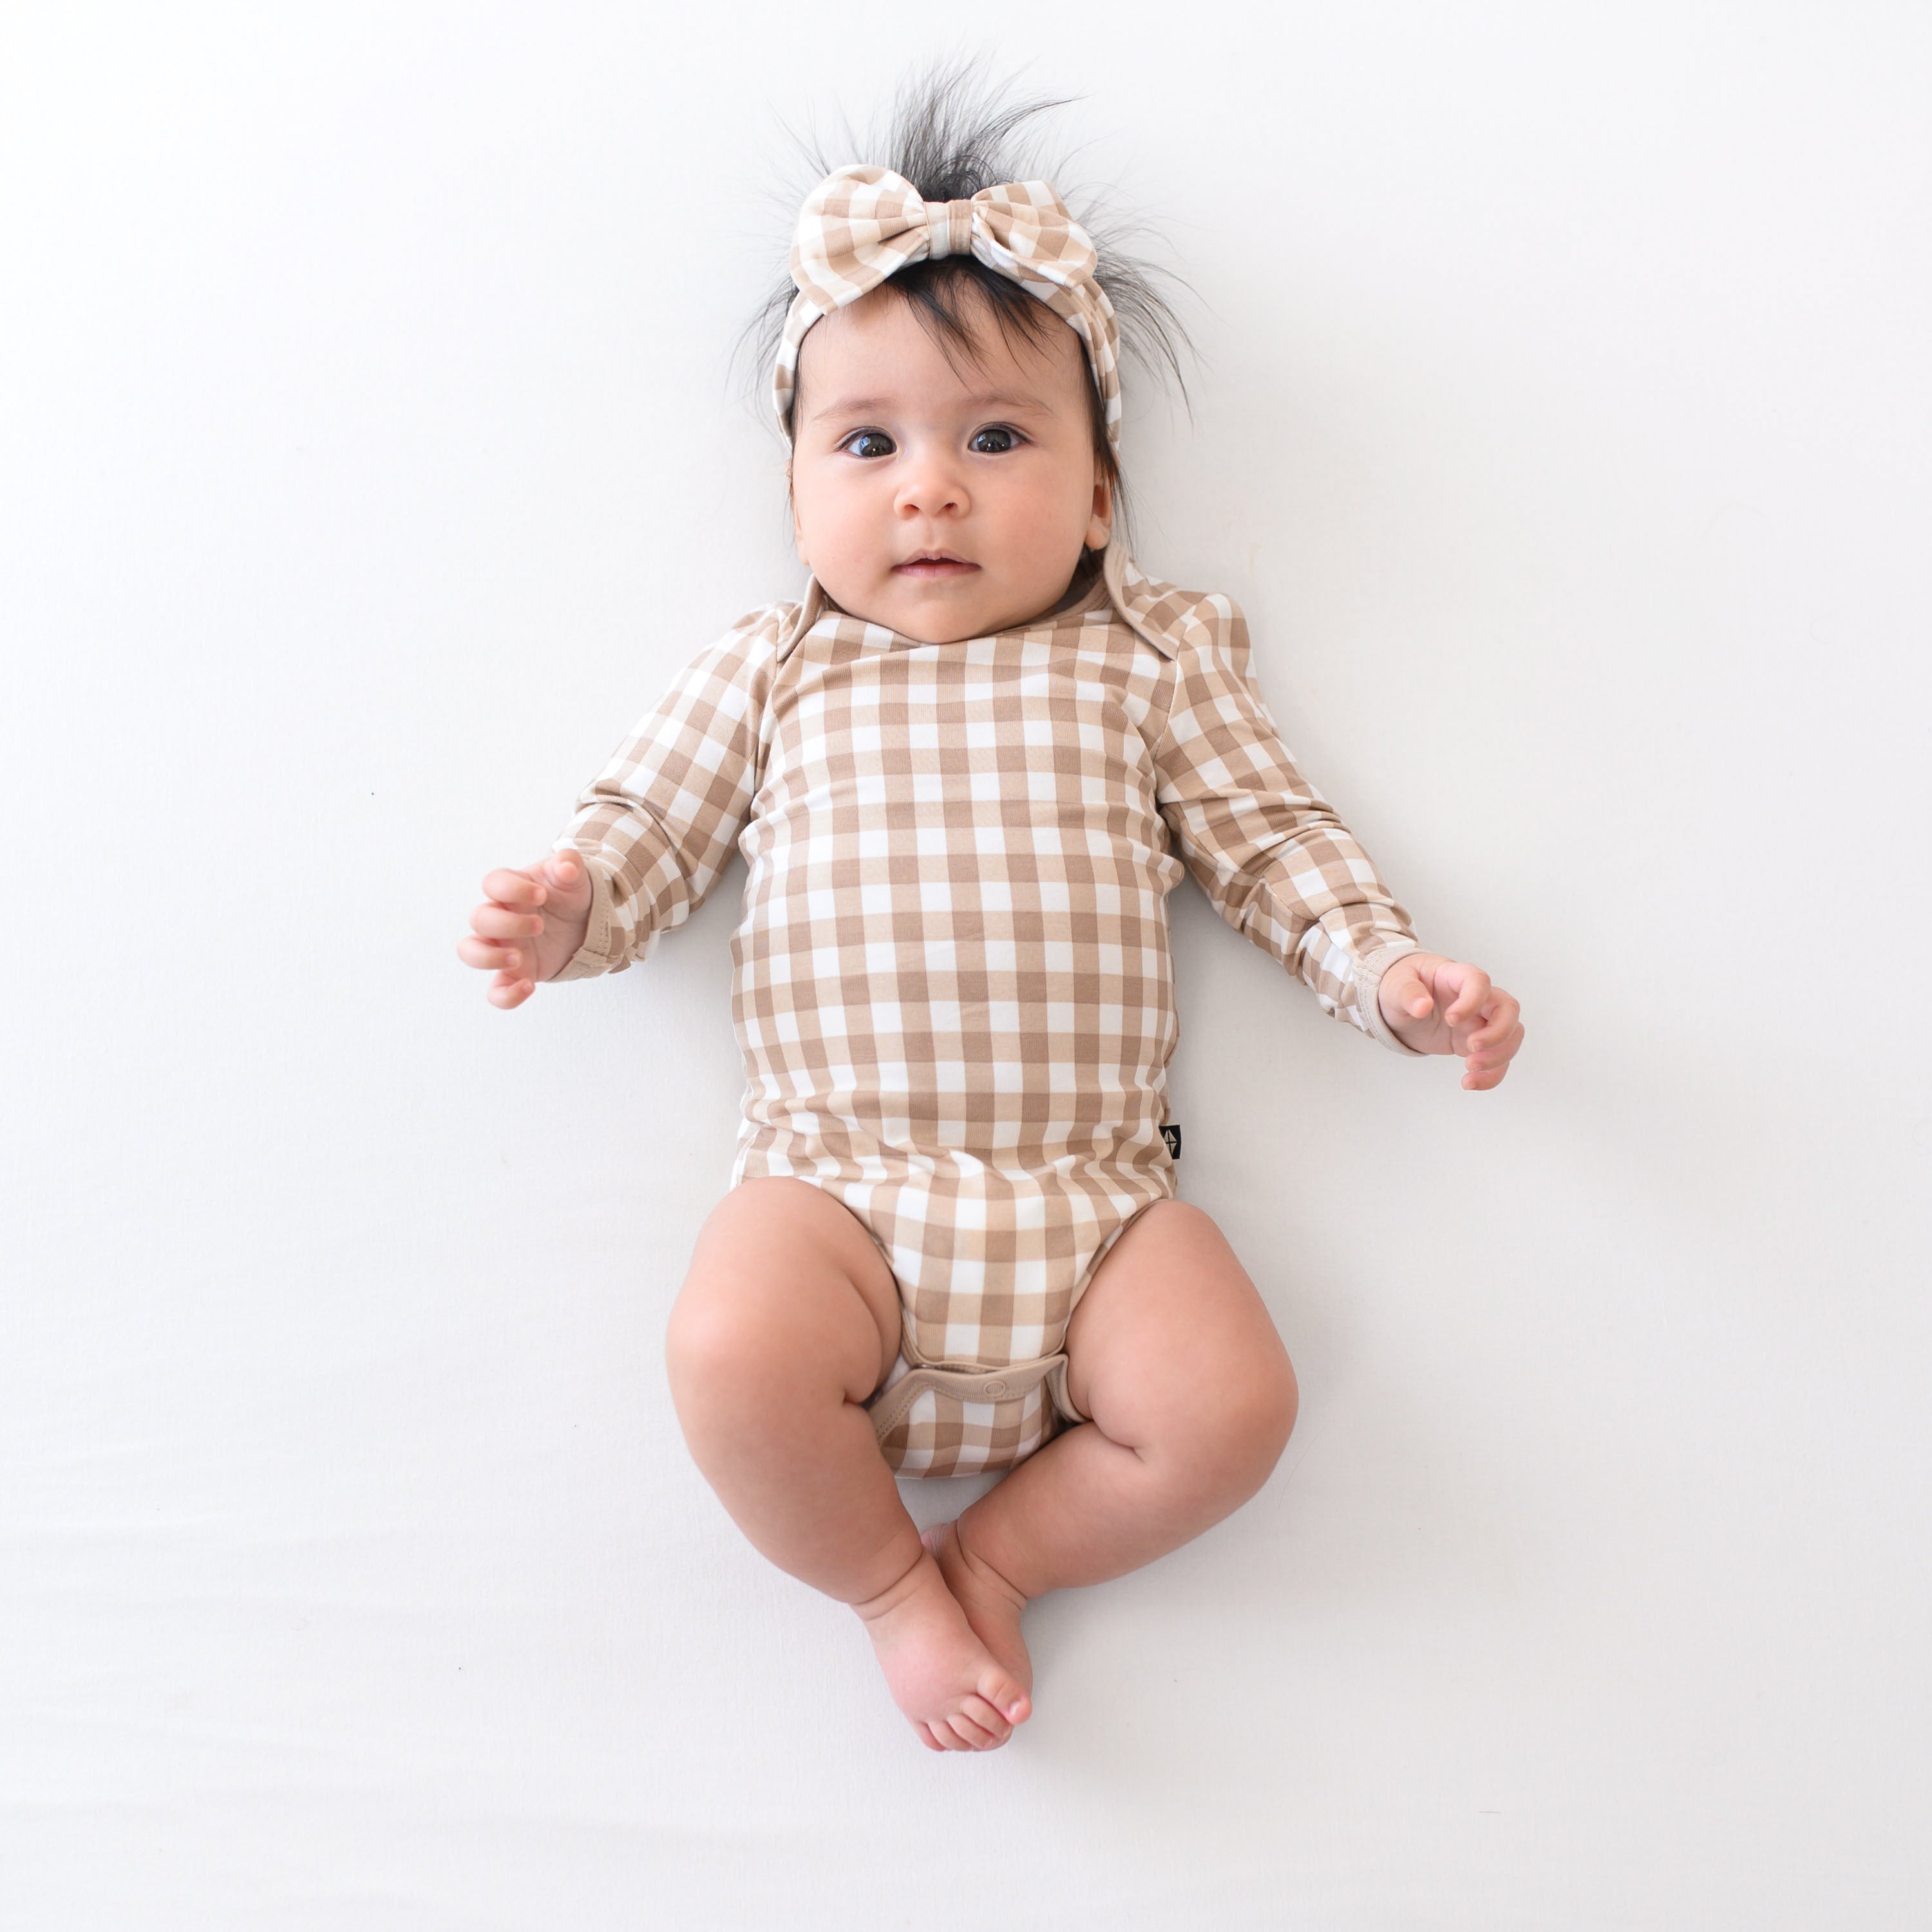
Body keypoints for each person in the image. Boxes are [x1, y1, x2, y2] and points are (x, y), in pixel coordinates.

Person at [458, 68, 1524, 1753]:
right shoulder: (777, 668)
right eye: (867, 443)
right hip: (837, 1194)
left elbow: (1271, 843)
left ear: (1100, 498)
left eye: (997, 438)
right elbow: (649, 827)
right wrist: (570, 905)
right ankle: (893, 1589)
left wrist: (1386, 971)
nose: (929, 489)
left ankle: (1004, 1560)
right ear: (798, 490)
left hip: (1096, 1209)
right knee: (731, 1352)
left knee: (1235, 1410)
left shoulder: (1148, 661)